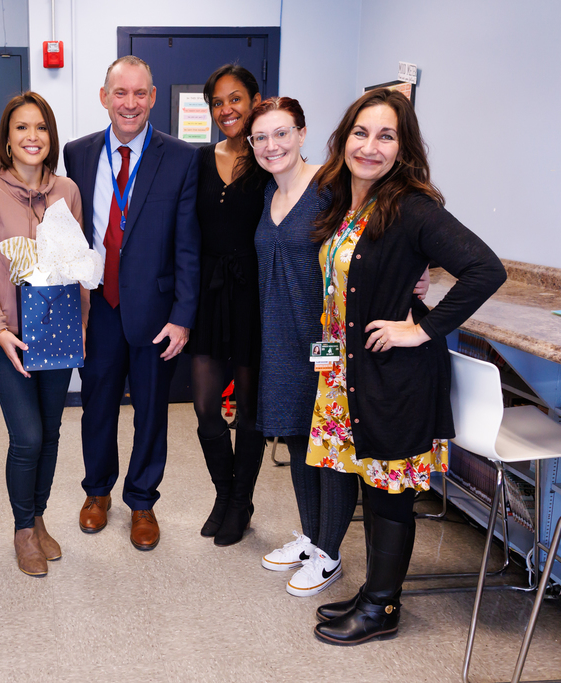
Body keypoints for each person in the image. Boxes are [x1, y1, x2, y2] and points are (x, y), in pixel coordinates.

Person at [307, 88, 505, 645]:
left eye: (386, 136)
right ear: (344, 139)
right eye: (361, 133)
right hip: (350, 371)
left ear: (403, 147)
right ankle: (375, 591)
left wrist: (421, 327)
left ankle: (382, 609)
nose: (370, 146)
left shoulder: (412, 204)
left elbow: (485, 269)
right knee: (373, 486)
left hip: (394, 375)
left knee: (389, 491)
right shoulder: (348, 200)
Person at [249, 97, 433, 599]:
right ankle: (311, 538)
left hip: (328, 338)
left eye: (282, 133)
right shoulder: (267, 192)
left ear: (303, 134)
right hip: (280, 336)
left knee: (329, 451)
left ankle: (329, 553)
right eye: (261, 138)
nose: (272, 146)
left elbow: (382, 239)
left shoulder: (329, 189)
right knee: (293, 437)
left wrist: (415, 273)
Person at [63, 56, 200, 551]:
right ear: (104, 97)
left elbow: (188, 244)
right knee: (96, 405)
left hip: (155, 311)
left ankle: (142, 501)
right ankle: (96, 493)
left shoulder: (182, 157)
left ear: (153, 97)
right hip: (98, 305)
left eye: (140, 94)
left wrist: (182, 317)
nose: (130, 103)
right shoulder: (76, 154)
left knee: (150, 410)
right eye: (120, 93)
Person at [0, 92, 86, 576]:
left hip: (56, 331)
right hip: (6, 334)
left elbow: (77, 263)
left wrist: (82, 329)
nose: (32, 136)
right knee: (28, 436)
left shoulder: (68, 191)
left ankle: (38, 519)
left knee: (53, 431)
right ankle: (21, 530)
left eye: (40, 127)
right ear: (8, 138)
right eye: (21, 128)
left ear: (50, 137)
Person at [186, 64, 268, 547]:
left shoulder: (270, 156)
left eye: (235, 98)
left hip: (256, 294)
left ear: (256, 100)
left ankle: (240, 503)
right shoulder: (198, 159)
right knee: (205, 408)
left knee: (251, 412)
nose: (226, 110)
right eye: (217, 102)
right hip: (210, 294)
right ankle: (225, 492)